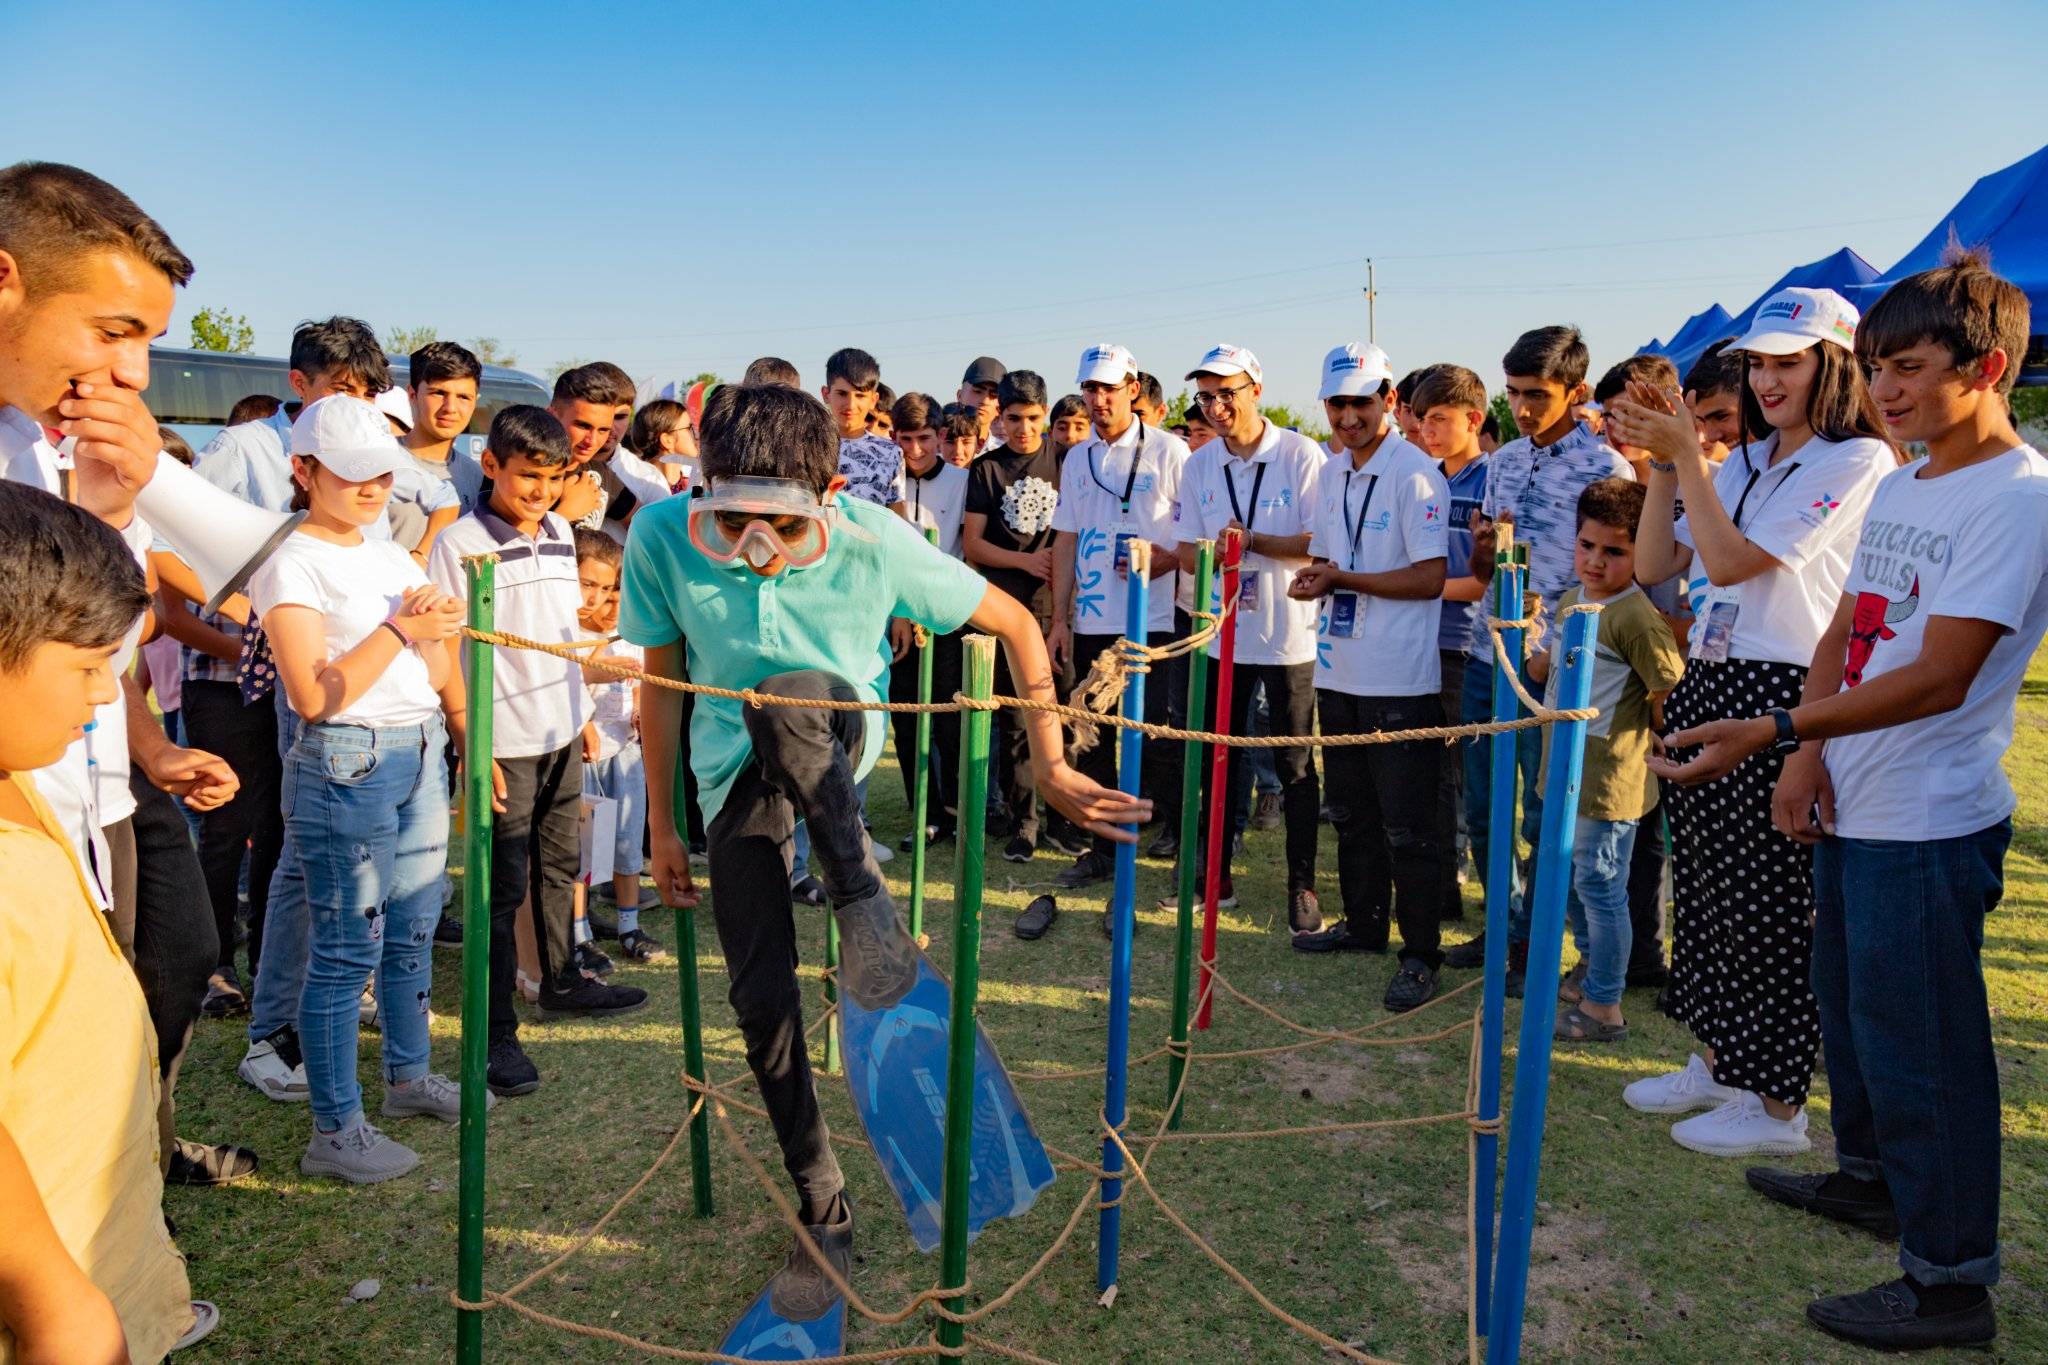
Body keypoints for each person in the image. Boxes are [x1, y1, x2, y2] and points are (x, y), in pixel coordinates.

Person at [621, 382, 1145, 1298]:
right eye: (732, 523)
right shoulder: (661, 537)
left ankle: (863, 904)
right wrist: (663, 823)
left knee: (787, 695)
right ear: (701, 491)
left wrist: (1053, 763)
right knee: (758, 995)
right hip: (729, 768)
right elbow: (661, 684)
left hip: (833, 730)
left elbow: (1018, 623)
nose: (757, 551)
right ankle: (823, 1204)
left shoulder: (873, 537)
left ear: (830, 498)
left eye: (785, 529)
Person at [1645, 251, 2041, 1353]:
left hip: (1929, 813)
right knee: (1856, 1015)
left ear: (1985, 369)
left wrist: (1775, 730)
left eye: (1909, 367)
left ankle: (1949, 1282)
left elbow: (1942, 675)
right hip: (1852, 792)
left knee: (1925, 1048)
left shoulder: (2015, 495)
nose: (1885, 390)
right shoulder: (1907, 479)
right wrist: (1808, 756)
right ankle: (1866, 1180)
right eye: (1875, 367)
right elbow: (1843, 629)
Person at [1609, 286, 1895, 1158]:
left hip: (1784, 685)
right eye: (1759, 363)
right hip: (1713, 673)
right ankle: (1719, 1061)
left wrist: (1688, 456)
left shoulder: (1857, 460)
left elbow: (1732, 562)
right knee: (1707, 893)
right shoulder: (1744, 459)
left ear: (1833, 365)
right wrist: (1668, 465)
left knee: (1770, 903)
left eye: (1788, 362)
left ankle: (1776, 1105)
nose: (1768, 380)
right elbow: (1655, 564)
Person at [0, 481, 210, 1365]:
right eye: (88, 667)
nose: (102, 699)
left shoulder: (17, 778)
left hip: (97, 1251)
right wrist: (57, 1308)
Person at [250, 395, 485, 1182]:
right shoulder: (290, 562)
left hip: (419, 748)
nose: (372, 487)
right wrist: (401, 629)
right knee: (348, 946)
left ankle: (408, 1077)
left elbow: (436, 666)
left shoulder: (390, 554)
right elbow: (312, 695)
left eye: (382, 473)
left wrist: (439, 642)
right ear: (303, 470)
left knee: (414, 925)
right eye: (353, 473)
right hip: (345, 759)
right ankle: (336, 1127)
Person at [428, 405, 648, 1098]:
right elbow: (445, 650)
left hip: (561, 731)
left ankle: (560, 979)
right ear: (490, 464)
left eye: (554, 478)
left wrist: (584, 706)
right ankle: (494, 1031)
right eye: (528, 476)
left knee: (560, 868)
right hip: (502, 741)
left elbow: (557, 635)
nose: (542, 491)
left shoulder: (559, 533)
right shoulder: (460, 543)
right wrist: (471, 739)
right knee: (500, 891)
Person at [189, 315, 392, 1019]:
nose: (354, 406)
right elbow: (164, 552)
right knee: (229, 825)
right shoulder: (243, 446)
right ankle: (216, 967)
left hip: (331, 685)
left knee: (296, 837)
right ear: (298, 383)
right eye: (340, 389)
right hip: (232, 673)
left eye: (366, 393)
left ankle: (305, 978)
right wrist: (267, 618)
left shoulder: (369, 461)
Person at [1443, 326, 1630, 993]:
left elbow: (1611, 580)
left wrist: (1553, 649)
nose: (1521, 409)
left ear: (1576, 392)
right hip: (1487, 649)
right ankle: (1503, 925)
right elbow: (1484, 571)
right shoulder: (1502, 461)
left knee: (1541, 810)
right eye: (1513, 393)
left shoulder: (1608, 468)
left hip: (1556, 663)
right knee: (1485, 806)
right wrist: (1483, 552)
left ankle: (1537, 939)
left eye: (1537, 395)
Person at [1287, 343, 1451, 1010]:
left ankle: (1421, 953)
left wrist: (1343, 579)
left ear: (1390, 401)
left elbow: (1431, 578)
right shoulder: (1331, 472)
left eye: (1361, 402)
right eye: (1337, 403)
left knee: (1407, 828)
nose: (1348, 416)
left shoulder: (1417, 474)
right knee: (1351, 814)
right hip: (1340, 670)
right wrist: (1317, 578)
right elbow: (1330, 557)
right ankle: (1363, 925)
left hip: (1400, 680)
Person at [1174, 344, 1326, 929]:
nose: (1215, 407)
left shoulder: (1299, 453)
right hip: (1223, 634)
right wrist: (1217, 552)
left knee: (1294, 765)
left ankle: (1302, 886)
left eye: (1227, 394)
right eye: (1205, 397)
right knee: (1218, 758)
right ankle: (1214, 878)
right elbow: (1188, 550)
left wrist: (1252, 542)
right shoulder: (1200, 464)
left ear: (1255, 391)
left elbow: (1318, 542)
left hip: (1289, 636)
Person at [1531, 480, 1683, 1043]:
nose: (1595, 561)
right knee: (1573, 883)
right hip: (1562, 772)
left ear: (1642, 552)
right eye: (1586, 545)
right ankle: (1592, 970)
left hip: (1609, 784)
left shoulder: (1637, 617)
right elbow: (1550, 672)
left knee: (1601, 888)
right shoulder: (1572, 599)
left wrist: (1658, 735)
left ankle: (1605, 1006)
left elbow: (1669, 688)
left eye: (1614, 551)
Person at [1043, 344, 1190, 925]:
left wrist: (1165, 558)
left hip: (1154, 619)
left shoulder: (1171, 450)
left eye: (1109, 388)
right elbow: (1065, 538)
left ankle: (1177, 839)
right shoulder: (1077, 457)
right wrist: (1060, 618)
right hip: (1093, 619)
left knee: (1157, 736)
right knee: (1094, 738)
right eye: (1090, 388)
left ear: (1133, 387)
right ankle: (1103, 849)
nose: (1099, 399)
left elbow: (1193, 535)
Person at [963, 369, 1081, 863]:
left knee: (1064, 712)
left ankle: (1064, 819)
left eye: (1033, 418)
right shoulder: (985, 469)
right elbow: (973, 545)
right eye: (1014, 418)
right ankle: (1024, 822)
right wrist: (1025, 561)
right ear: (1000, 417)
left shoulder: (1068, 460)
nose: (1024, 429)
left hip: (1058, 608)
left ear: (1045, 415)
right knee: (1014, 720)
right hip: (1004, 608)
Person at [1409, 365, 1491, 920]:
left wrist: (1414, 587)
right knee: (1430, 775)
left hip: (1468, 645)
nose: (1427, 430)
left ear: (1474, 419)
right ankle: (1441, 887)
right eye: (1422, 419)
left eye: (1440, 418)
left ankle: (1471, 883)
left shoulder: (1492, 479)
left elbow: (1487, 580)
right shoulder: (1423, 477)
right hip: (1420, 639)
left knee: (1465, 777)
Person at [574, 528, 665, 962]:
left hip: (625, 751)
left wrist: (641, 712)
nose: (610, 610)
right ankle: (579, 933)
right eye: (603, 598)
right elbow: (564, 686)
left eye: (619, 599)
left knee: (628, 842)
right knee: (583, 849)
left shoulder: (633, 635)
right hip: (585, 755)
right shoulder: (573, 636)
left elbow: (642, 683)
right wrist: (584, 723)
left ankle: (629, 926)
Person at [885, 392, 968, 850]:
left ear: (940, 435)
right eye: (905, 439)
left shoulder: (963, 480)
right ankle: (926, 814)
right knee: (908, 722)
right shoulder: (886, 479)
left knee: (951, 721)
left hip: (949, 616)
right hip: (898, 615)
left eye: (924, 438)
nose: (915, 449)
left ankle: (956, 810)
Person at [397, 340, 480, 542]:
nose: (450, 407)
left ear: (475, 401)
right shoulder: (380, 460)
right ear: (412, 394)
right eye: (438, 393)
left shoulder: (476, 475)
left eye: (463, 397)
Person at [821, 347, 900, 508]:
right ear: (826, 394)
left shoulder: (890, 453)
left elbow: (896, 515)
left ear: (873, 400)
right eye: (842, 394)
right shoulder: (807, 446)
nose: (851, 405)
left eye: (860, 396)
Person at [958, 355, 1006, 450]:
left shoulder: (1006, 455)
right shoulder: (932, 452)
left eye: (993, 395)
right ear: (960, 395)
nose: (984, 401)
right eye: (977, 391)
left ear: (1000, 407)